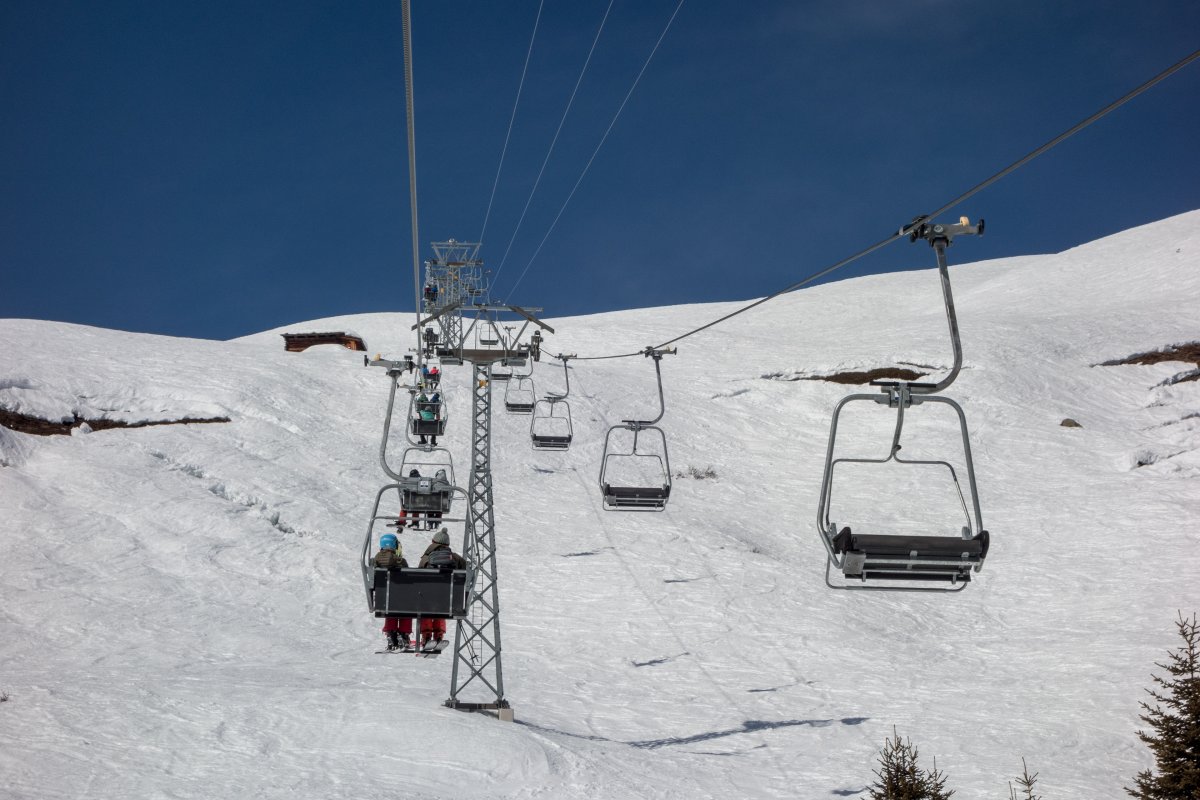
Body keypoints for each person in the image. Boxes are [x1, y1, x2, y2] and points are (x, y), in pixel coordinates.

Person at [417, 528, 467, 646]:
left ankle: (426, 636)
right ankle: (439, 635)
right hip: (447, 598)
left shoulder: (426, 558)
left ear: (433, 542)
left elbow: (419, 575)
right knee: (442, 606)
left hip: (427, 597)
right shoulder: (455, 558)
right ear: (447, 544)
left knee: (426, 608)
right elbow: (467, 571)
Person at [371, 533, 412, 651]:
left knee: (389, 607)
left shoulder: (374, 561)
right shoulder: (400, 561)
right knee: (406, 607)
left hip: (383, 599)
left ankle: (391, 633)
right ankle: (404, 635)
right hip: (402, 598)